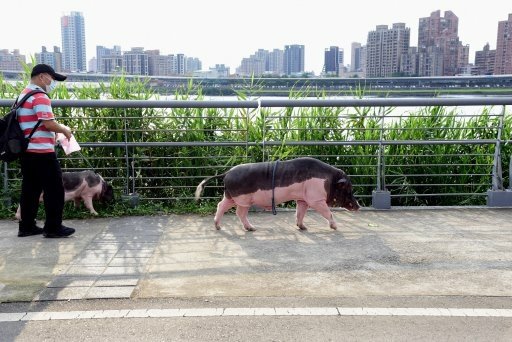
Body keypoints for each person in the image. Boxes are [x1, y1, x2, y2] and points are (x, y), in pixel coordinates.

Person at [16, 64, 75, 238]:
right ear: (42, 77)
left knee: (30, 189)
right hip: (42, 152)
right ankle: (53, 227)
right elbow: (47, 123)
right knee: (55, 189)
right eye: (53, 78)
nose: (53, 82)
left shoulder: (24, 94)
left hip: (27, 151)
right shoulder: (40, 96)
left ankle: (26, 226)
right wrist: (64, 129)